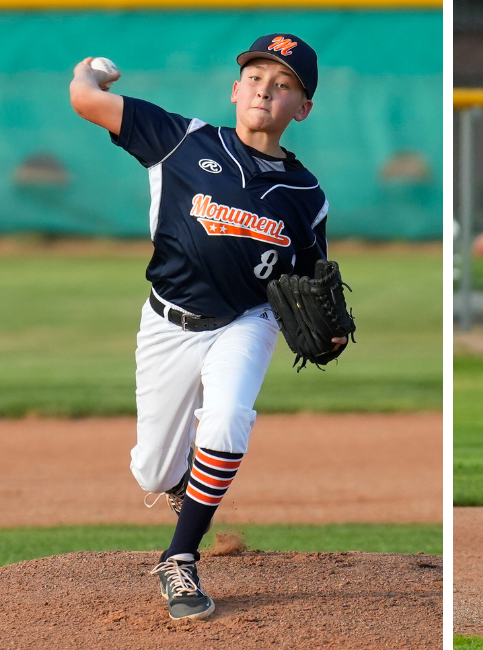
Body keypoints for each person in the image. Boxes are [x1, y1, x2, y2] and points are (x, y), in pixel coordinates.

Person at [69, 34, 345, 620]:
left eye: (283, 84)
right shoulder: (181, 140)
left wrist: (331, 330)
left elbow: (312, 284)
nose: (264, 90)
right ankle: (182, 485)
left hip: (248, 320)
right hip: (167, 323)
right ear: (234, 88)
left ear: (303, 107)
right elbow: (84, 101)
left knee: (227, 418)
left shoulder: (306, 194)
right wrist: (89, 71)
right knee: (152, 468)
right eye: (254, 77)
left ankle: (180, 558)